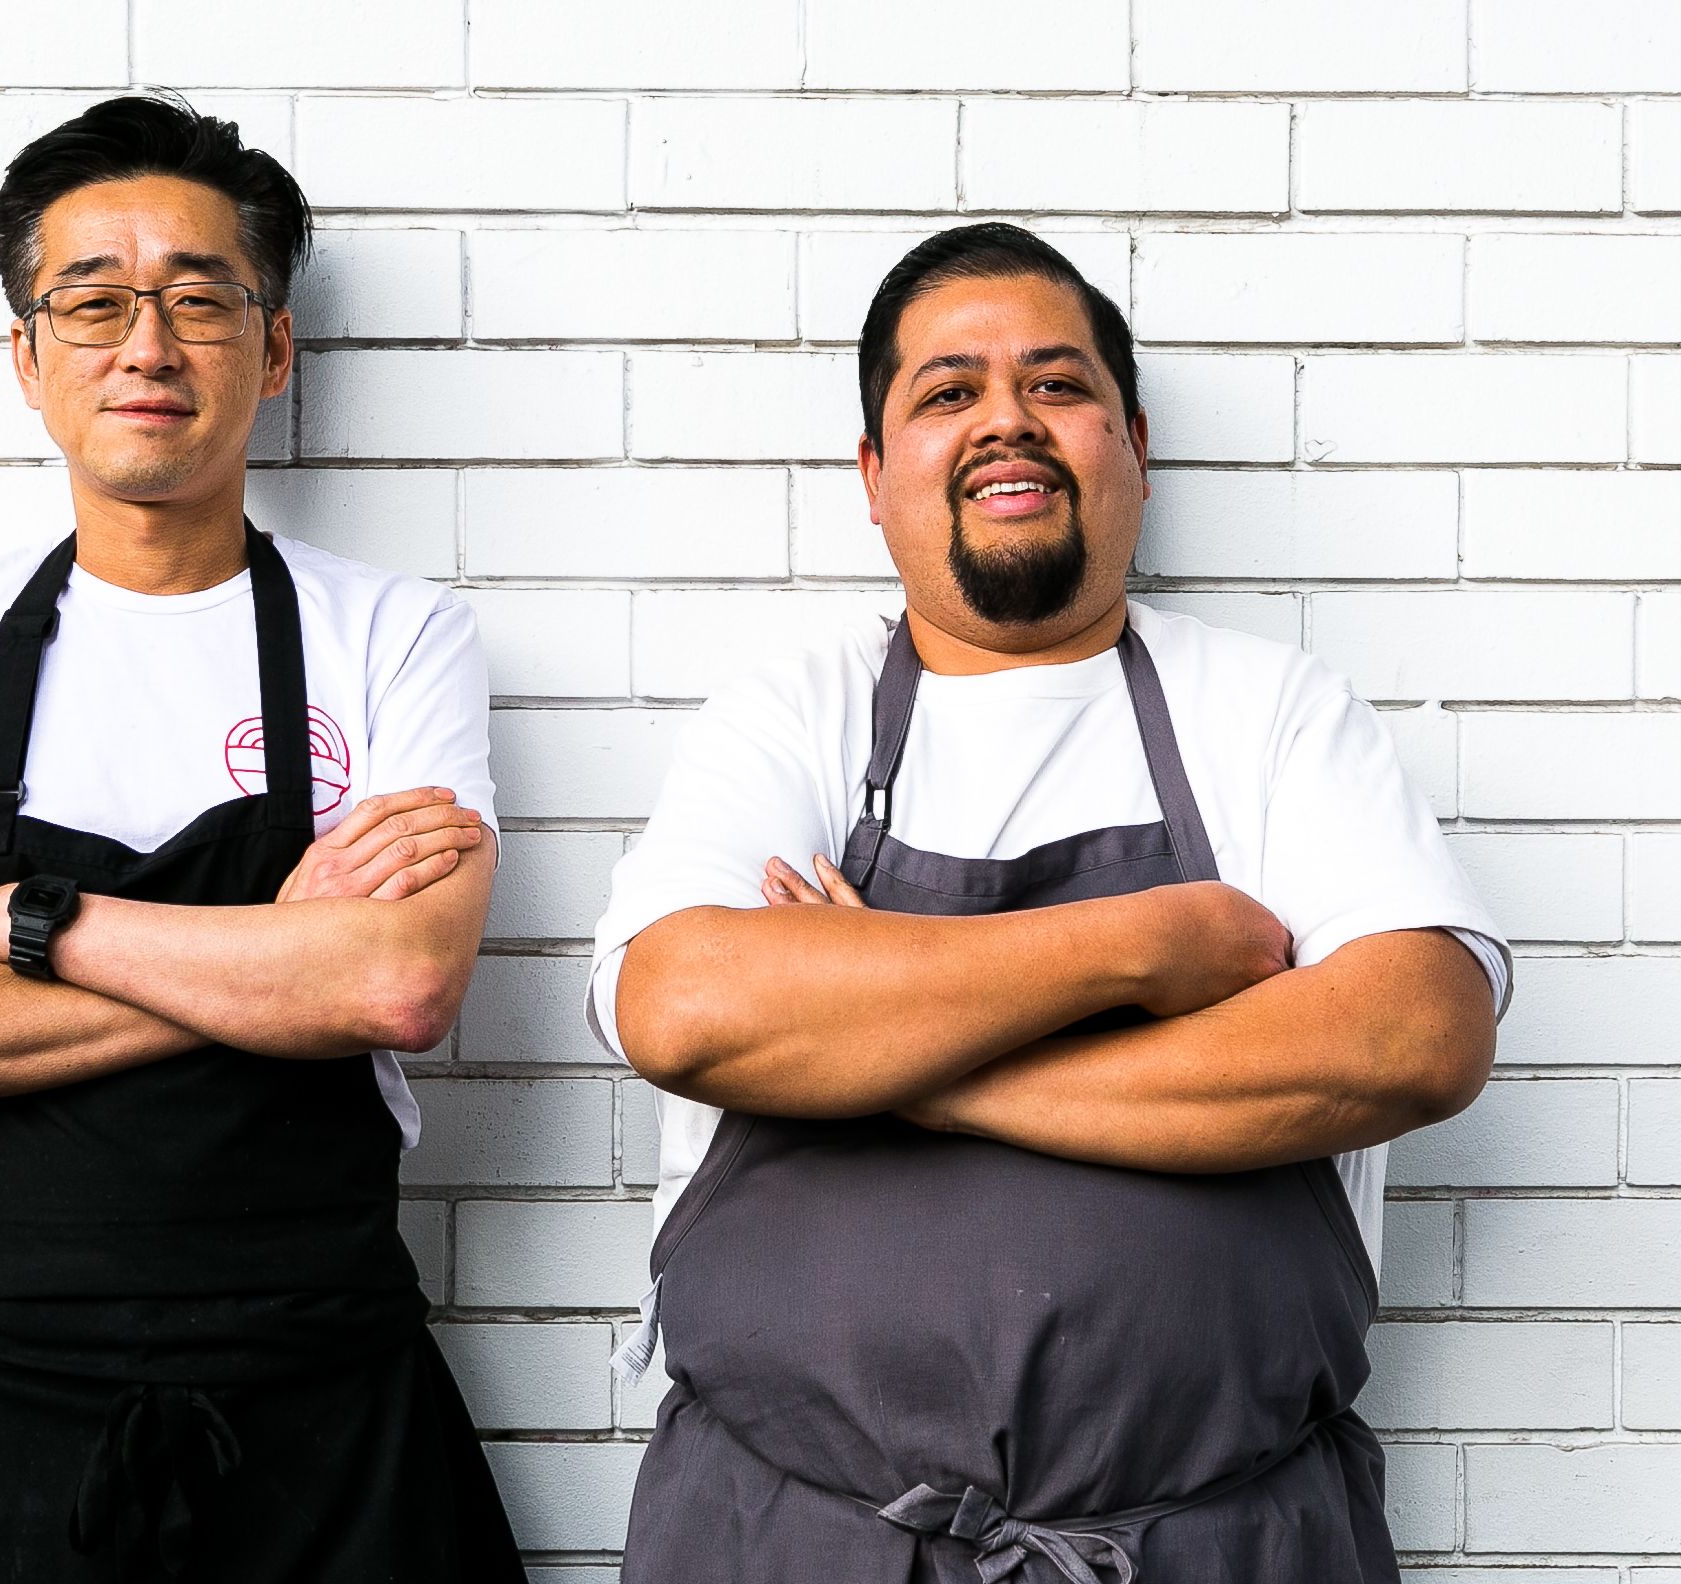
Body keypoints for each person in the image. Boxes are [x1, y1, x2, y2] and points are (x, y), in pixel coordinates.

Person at [591, 222, 1507, 1582]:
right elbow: (685, 1008)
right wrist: (1152, 941)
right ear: (872, 473)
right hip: (791, 1542)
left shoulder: (1266, 712)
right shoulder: (796, 712)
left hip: (1224, 1547)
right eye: (948, 392)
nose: (1006, 422)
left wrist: (891, 1062)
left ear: (1132, 446)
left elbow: (1413, 1036)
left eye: (1058, 386)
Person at [0, 95, 523, 1583]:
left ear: (278, 347)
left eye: (201, 300)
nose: (149, 345)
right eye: (95, 302)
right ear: (27, 356)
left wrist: (24, 923)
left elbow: (393, 991)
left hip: (323, 1399)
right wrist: (273, 967)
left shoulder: (394, 638)